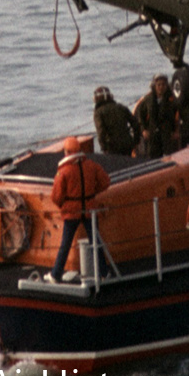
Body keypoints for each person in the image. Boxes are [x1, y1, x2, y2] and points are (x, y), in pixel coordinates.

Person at [49, 136, 111, 283]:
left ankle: (56, 274)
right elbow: (105, 182)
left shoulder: (63, 172)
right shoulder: (92, 165)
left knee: (65, 244)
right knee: (96, 242)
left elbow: (56, 196)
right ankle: (104, 272)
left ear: (67, 152)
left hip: (72, 212)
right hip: (90, 210)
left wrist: (63, 206)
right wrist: (92, 194)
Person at [136, 73, 180, 158]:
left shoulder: (172, 99)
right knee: (153, 156)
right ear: (154, 86)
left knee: (169, 156)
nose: (161, 87)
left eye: (163, 84)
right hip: (153, 134)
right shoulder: (148, 99)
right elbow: (140, 115)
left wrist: (176, 131)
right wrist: (144, 130)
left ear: (167, 86)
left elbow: (177, 116)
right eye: (158, 85)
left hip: (167, 133)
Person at [92, 86, 137, 156]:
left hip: (112, 147)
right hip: (127, 143)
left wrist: (104, 148)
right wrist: (135, 141)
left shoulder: (98, 112)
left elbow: (101, 132)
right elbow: (135, 123)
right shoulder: (121, 107)